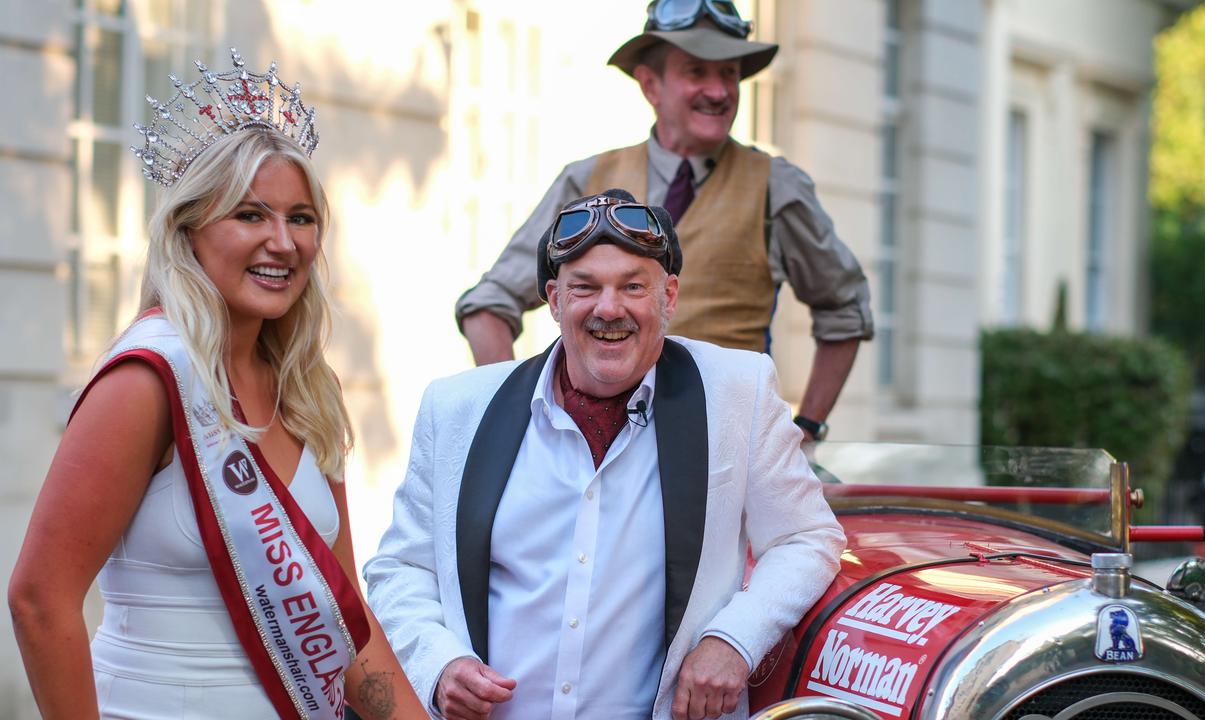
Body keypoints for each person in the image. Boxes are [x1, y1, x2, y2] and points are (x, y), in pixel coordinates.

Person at [8, 50, 426, 720]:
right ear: (190, 230)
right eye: (251, 215)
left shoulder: (309, 392)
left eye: (301, 218)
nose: (283, 243)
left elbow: (341, 613)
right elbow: (38, 598)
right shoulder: (147, 380)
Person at [366, 189, 845, 719]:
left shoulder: (739, 390)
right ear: (553, 300)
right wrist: (439, 665)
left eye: (633, 287)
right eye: (585, 288)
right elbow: (401, 568)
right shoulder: (456, 407)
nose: (609, 308)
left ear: (670, 296)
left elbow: (807, 536)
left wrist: (733, 639)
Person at [456, 0, 873, 443]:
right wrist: (519, 422)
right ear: (650, 85)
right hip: (594, 455)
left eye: (729, 73)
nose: (718, 91)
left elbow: (845, 309)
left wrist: (807, 427)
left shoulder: (777, 187)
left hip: (723, 457)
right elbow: (488, 305)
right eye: (697, 71)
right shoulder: (586, 179)